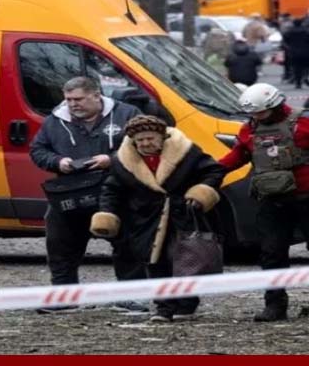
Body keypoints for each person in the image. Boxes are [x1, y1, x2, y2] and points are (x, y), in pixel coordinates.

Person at [219, 83, 309, 322]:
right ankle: (275, 304)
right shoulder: (250, 130)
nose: (256, 117)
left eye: (261, 113)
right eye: (253, 114)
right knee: (271, 253)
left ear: (274, 105)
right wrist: (209, 172)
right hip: (273, 201)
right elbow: (237, 157)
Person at [90, 115, 226, 322]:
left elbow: (214, 171)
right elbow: (111, 190)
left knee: (185, 261)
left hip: (183, 216)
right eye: (140, 140)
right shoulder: (122, 161)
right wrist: (107, 213)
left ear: (162, 137)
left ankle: (186, 304)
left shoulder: (187, 152)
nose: (146, 143)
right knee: (154, 263)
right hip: (146, 220)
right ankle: (164, 308)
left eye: (150, 138)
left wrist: (201, 192)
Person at [30, 76, 145, 313]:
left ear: (96, 95)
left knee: (128, 244)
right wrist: (57, 162)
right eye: (69, 100)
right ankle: (63, 298)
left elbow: (145, 146)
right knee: (60, 245)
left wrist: (111, 160)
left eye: (79, 99)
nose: (73, 104)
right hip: (70, 192)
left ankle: (132, 297)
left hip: (116, 190)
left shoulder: (127, 114)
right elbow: (37, 150)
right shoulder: (55, 120)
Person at [283, 19, 309, 89]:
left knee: (296, 68)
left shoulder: (289, 32)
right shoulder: (308, 32)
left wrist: (288, 49)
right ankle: (305, 76)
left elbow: (285, 42)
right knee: (306, 66)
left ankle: (298, 83)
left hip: (293, 53)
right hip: (307, 52)